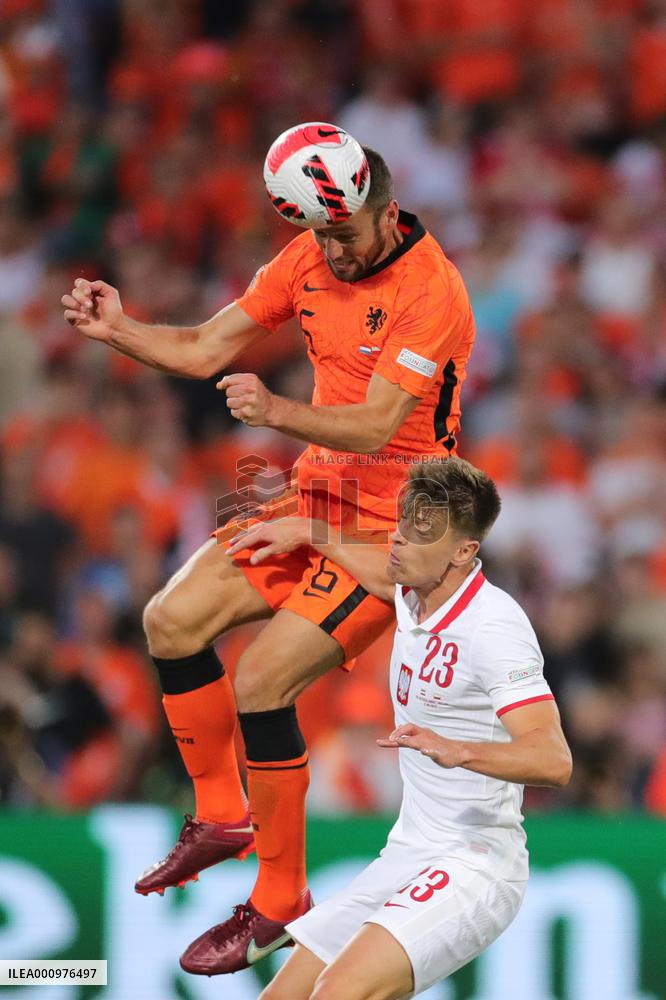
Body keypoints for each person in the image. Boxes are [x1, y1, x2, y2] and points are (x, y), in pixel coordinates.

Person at [61, 140, 476, 975]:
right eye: (318, 236)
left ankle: (282, 899)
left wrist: (275, 410)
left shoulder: (431, 291)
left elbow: (376, 424)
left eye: (345, 235)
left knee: (261, 678)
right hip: (312, 497)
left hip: (397, 525)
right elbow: (206, 349)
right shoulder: (307, 256)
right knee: (171, 619)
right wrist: (119, 329)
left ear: (386, 212)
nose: (332, 251)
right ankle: (222, 816)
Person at [235, 457, 572, 1000]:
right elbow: (374, 568)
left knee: (338, 993)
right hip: (408, 853)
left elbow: (554, 759)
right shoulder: (413, 586)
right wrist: (310, 531)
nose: (398, 542)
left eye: (420, 533)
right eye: (401, 522)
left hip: (475, 862)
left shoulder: (494, 628)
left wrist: (456, 748)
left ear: (464, 551)